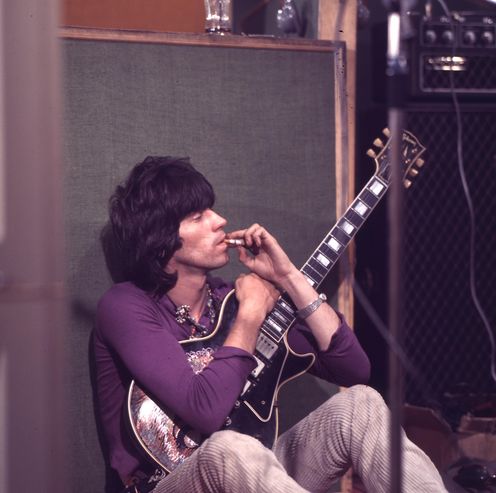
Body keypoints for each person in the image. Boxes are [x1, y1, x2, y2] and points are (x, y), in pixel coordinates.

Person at [94, 156, 447, 493]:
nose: (219, 220)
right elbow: (205, 410)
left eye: (211, 210)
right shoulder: (126, 306)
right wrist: (250, 313)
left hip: (252, 473)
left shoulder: (233, 298)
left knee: (361, 404)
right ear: (159, 240)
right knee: (230, 448)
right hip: (168, 483)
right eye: (198, 216)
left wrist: (288, 276)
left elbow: (354, 369)